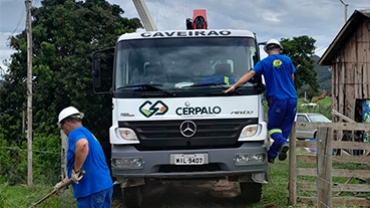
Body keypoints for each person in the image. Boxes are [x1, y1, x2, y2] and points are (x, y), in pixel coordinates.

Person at [224, 39, 297, 164]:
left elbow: (251, 74)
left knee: (273, 127)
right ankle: (273, 154)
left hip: (277, 99)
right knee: (285, 128)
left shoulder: (264, 63)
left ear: (267, 50)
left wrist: (234, 86)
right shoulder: (288, 60)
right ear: (279, 49)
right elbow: (292, 77)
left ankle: (282, 144)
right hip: (292, 98)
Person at [55, 106, 113, 207]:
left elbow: (82, 144)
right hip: (104, 185)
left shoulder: (75, 133)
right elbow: (86, 163)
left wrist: (76, 171)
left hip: (90, 189)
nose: (64, 131)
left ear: (66, 123)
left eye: (62, 127)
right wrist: (65, 182)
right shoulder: (88, 133)